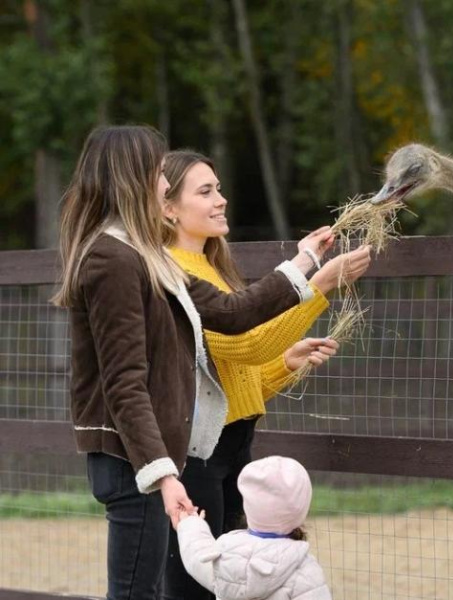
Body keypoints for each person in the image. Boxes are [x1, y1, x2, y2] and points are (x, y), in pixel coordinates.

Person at [53, 125, 370, 600]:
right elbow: (124, 382)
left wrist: (305, 262)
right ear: (134, 178)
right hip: (132, 458)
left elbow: (232, 313)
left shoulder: (141, 256)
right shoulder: (114, 259)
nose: (162, 182)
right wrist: (162, 476)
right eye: (158, 172)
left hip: (153, 454)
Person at [159, 150, 367, 600]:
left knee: (230, 581)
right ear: (169, 208)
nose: (221, 200)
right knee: (191, 586)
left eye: (219, 188)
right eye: (205, 191)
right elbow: (245, 343)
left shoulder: (212, 269)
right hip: (198, 452)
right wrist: (320, 285)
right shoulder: (176, 272)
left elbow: (232, 369)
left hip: (235, 445)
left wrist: (283, 365)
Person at [176, 456, 331, 600]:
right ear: (300, 509)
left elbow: (197, 553)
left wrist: (190, 524)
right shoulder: (304, 571)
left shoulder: (226, 555)